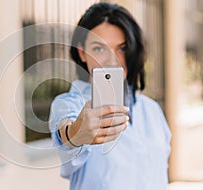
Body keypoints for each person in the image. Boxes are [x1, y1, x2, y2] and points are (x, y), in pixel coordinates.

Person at [49, 2, 171, 190]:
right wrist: (77, 134)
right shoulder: (68, 104)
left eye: (121, 48)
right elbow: (66, 131)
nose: (111, 60)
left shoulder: (151, 109)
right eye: (99, 48)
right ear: (82, 52)